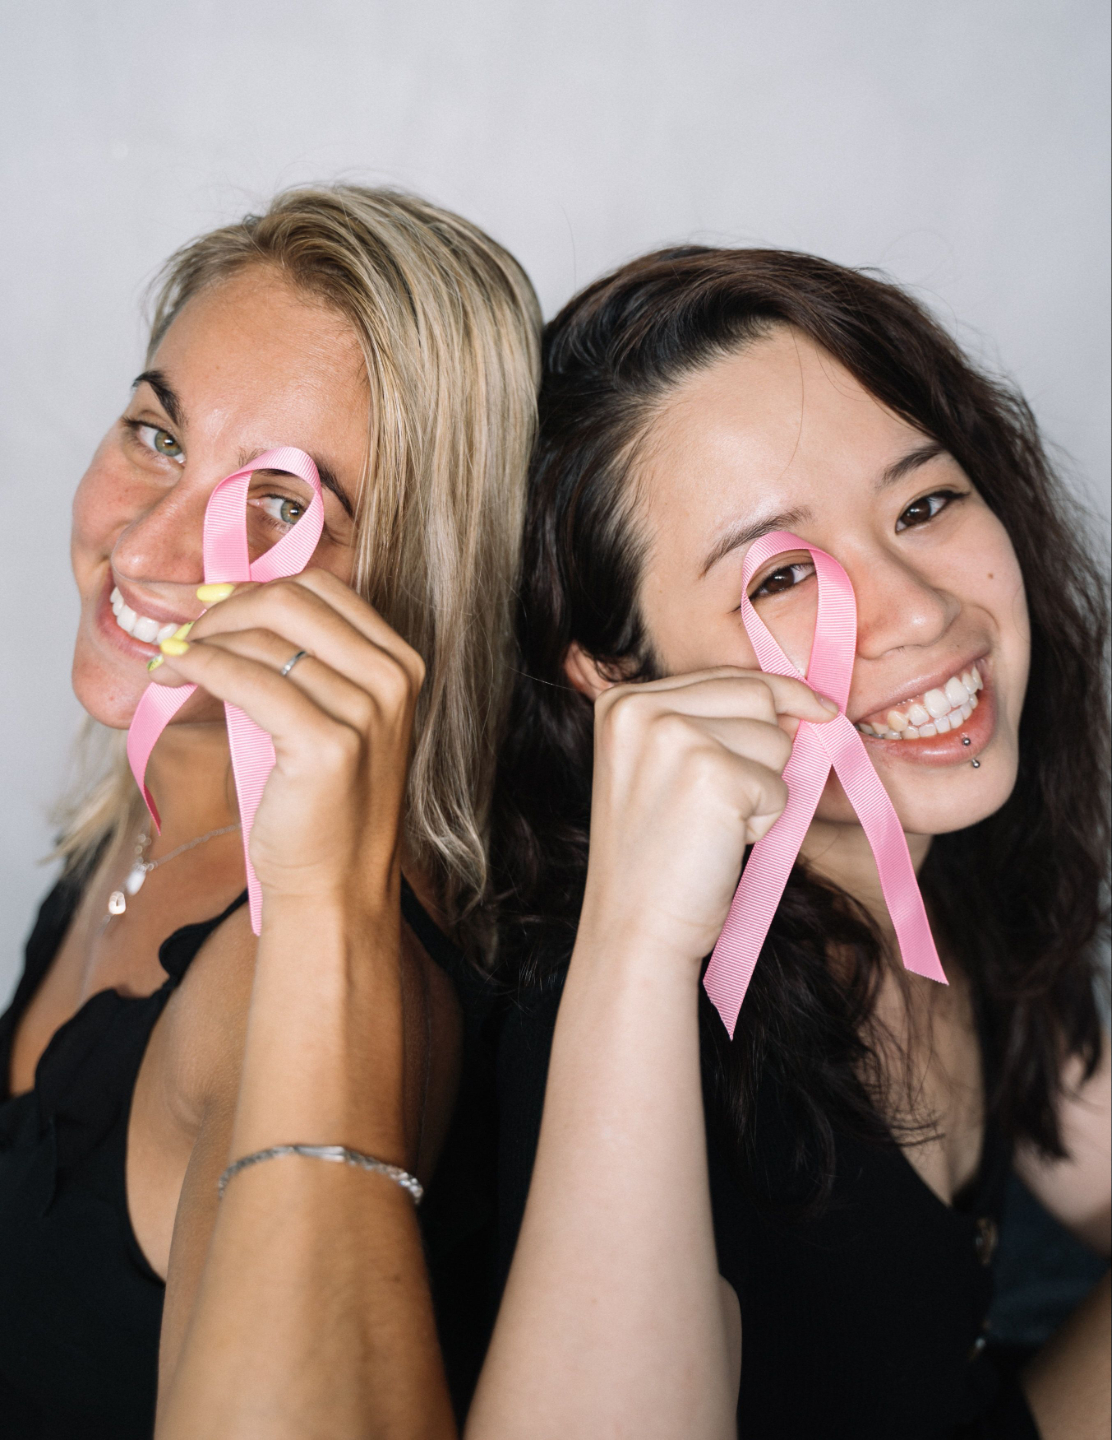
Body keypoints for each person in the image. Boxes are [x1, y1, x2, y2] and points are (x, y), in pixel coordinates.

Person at [471, 248, 1111, 1439]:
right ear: (616, 676)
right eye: (780, 578)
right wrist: (636, 946)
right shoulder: (604, 1017)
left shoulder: (956, 859)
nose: (920, 610)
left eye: (923, 505)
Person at [0, 184, 540, 1438]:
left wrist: (321, 913)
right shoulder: (145, 815)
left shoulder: (289, 969)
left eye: (283, 507)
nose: (147, 549)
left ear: (418, 586)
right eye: (158, 435)